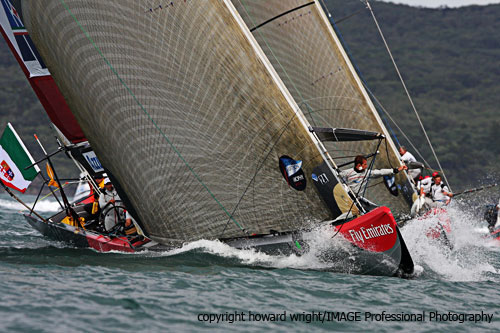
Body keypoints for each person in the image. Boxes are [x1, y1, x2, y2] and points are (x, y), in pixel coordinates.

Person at [340, 155, 407, 195]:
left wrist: (396, 170)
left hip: (356, 198)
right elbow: (337, 178)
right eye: (365, 164)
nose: (366, 166)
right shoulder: (347, 172)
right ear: (359, 165)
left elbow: (380, 172)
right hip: (345, 194)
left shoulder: (367, 173)